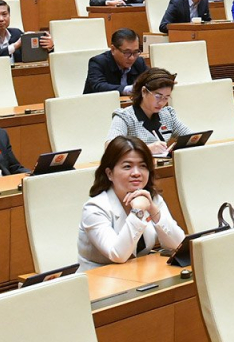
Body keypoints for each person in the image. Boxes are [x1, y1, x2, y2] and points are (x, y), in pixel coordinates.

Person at [78, 135, 184, 271]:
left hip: (138, 274)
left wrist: (153, 210)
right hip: (98, 281)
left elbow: (177, 244)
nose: (136, 173)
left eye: (142, 166)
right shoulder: (95, 208)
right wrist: (138, 212)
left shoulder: (152, 199)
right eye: (127, 166)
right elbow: (117, 255)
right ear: (109, 173)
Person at [111, 69, 188, 153]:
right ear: (144, 91)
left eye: (166, 98)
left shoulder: (167, 114)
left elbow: (190, 136)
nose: (161, 102)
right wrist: (146, 149)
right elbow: (111, 147)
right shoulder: (125, 116)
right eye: (158, 96)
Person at [85, 28, 149, 95]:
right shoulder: (98, 62)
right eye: (127, 52)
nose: (132, 58)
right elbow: (98, 86)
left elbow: (151, 80)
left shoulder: (139, 62)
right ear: (113, 49)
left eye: (136, 52)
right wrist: (127, 89)